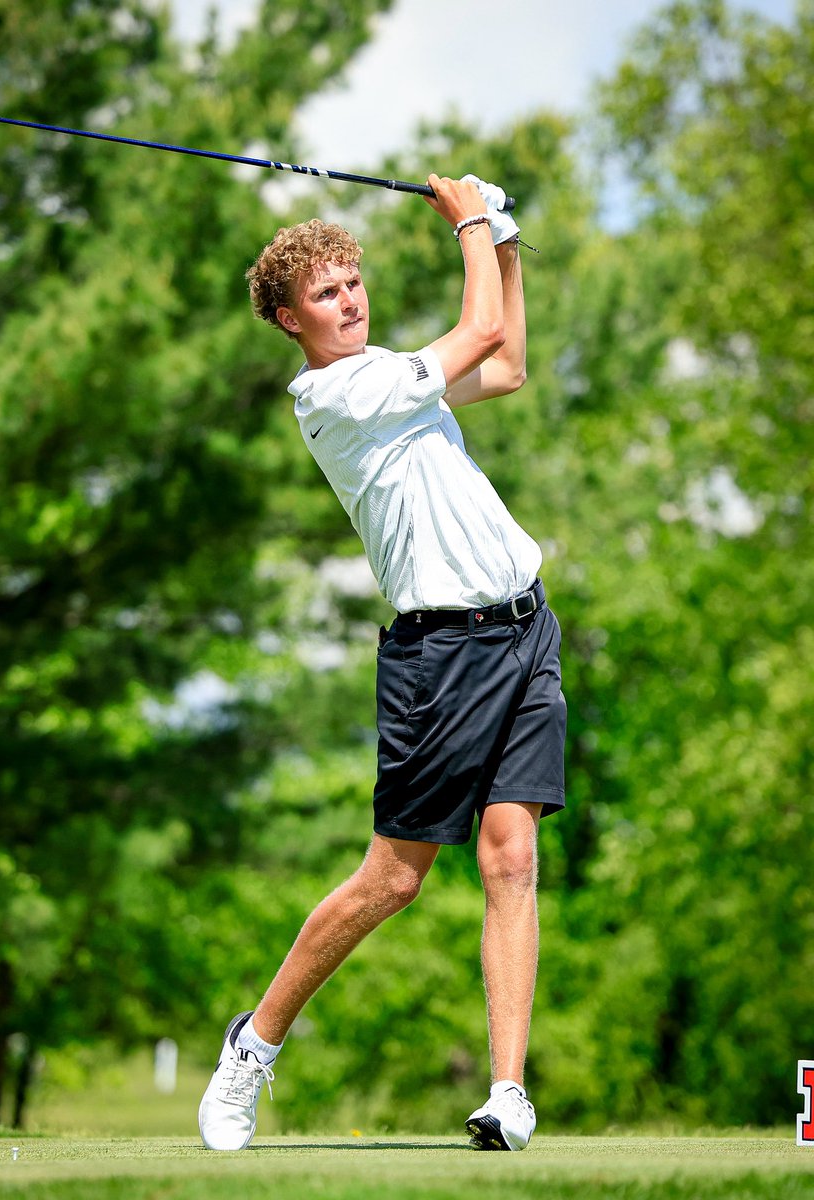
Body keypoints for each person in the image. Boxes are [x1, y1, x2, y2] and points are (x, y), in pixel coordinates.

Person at [198, 173, 566, 1153]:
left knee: (513, 857)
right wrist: (473, 224)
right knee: (393, 882)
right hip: (440, 656)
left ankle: (507, 1091)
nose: (350, 299)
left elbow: (510, 364)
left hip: (526, 630)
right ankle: (256, 1044)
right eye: (327, 292)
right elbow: (480, 333)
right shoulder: (337, 392)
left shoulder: (399, 373)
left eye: (353, 281)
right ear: (288, 320)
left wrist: (509, 243)